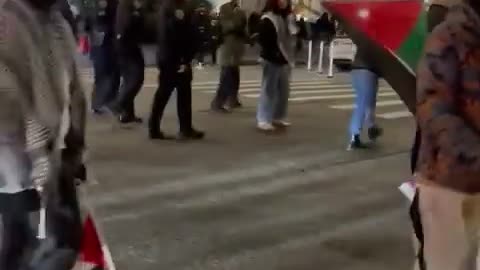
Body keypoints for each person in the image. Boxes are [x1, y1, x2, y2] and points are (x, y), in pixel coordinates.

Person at [0, 0, 87, 268]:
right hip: (15, 168)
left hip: (56, 161)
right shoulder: (5, 21)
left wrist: (75, 146)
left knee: (64, 243)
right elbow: (8, 98)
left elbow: (75, 90)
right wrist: (38, 155)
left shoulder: (57, 22)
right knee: (26, 251)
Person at [149, 0, 205, 140]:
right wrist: (181, 59)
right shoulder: (171, 7)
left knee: (183, 92)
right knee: (165, 93)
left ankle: (184, 128)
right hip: (173, 58)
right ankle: (155, 128)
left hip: (175, 56)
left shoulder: (177, 6)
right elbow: (174, 34)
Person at [256, 0, 295, 131]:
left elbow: (296, 35)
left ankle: (278, 116)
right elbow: (264, 39)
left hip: (284, 59)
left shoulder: (286, 18)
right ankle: (263, 118)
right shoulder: (268, 18)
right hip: (271, 58)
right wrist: (274, 52)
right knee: (269, 90)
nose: (284, 2)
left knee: (284, 90)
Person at [109, 0, 145, 124]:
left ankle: (127, 114)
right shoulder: (127, 3)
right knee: (136, 77)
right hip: (126, 44)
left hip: (126, 44)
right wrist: (139, 14)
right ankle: (118, 104)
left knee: (129, 79)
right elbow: (126, 24)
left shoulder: (127, 3)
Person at [84, 0, 121, 115]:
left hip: (104, 38)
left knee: (112, 72)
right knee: (104, 71)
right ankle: (101, 103)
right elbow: (98, 18)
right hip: (103, 39)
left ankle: (104, 102)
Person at [210, 0, 247, 112]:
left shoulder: (239, 10)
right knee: (226, 74)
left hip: (236, 46)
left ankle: (233, 98)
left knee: (234, 74)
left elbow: (243, 25)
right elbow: (228, 25)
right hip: (227, 46)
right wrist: (238, 24)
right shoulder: (225, 8)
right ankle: (218, 102)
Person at [346, 48, 383, 150]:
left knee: (369, 102)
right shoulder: (376, 42)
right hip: (367, 71)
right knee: (363, 102)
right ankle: (355, 135)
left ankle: (371, 127)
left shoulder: (365, 38)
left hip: (357, 70)